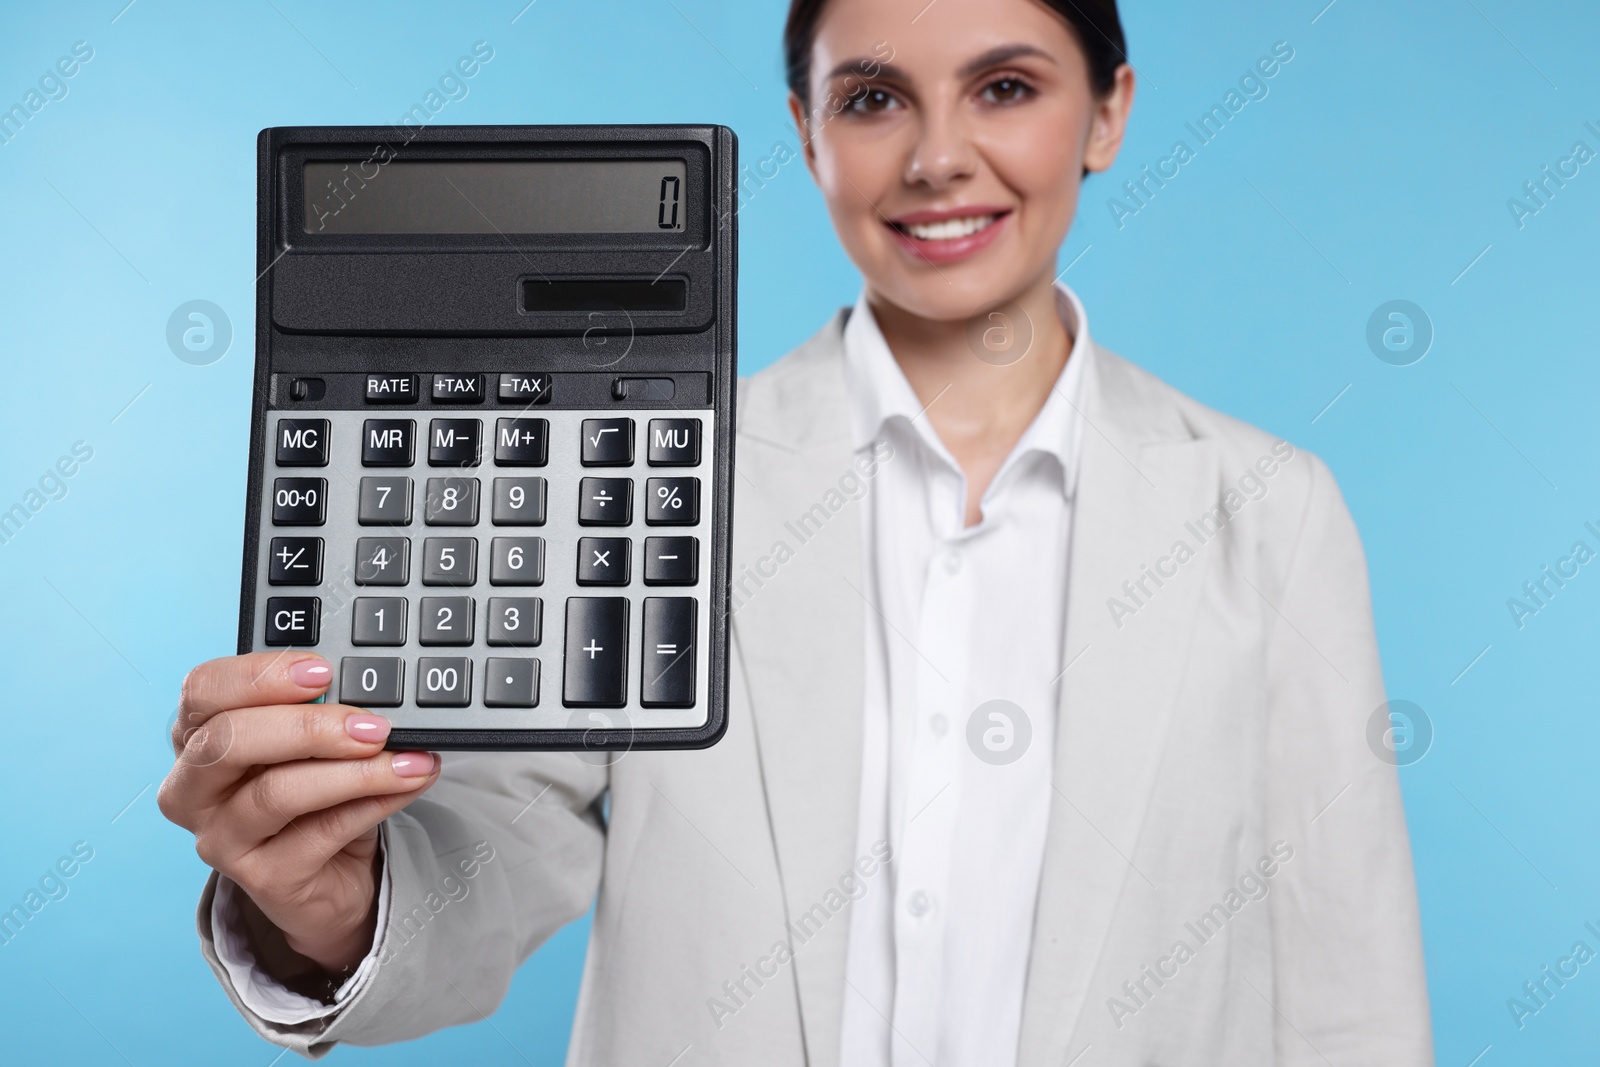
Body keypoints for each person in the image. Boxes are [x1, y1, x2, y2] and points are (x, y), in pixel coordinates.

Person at [159, 0, 1435, 1062]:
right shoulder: (652, 479)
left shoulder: (1267, 509)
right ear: (804, 134)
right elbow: (497, 848)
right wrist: (325, 908)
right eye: (872, 98)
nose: (937, 156)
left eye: (1004, 87)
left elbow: (1346, 980)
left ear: (1107, 111)